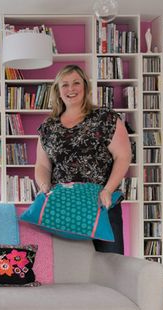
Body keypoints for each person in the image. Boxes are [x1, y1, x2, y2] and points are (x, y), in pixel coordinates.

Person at [35, 64, 132, 254]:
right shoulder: (48, 126)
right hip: (63, 206)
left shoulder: (105, 118)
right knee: (70, 266)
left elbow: (123, 156)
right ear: (58, 91)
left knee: (110, 263)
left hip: (101, 204)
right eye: (65, 85)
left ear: (85, 87)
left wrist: (108, 190)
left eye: (76, 83)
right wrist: (44, 186)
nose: (70, 89)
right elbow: (42, 165)